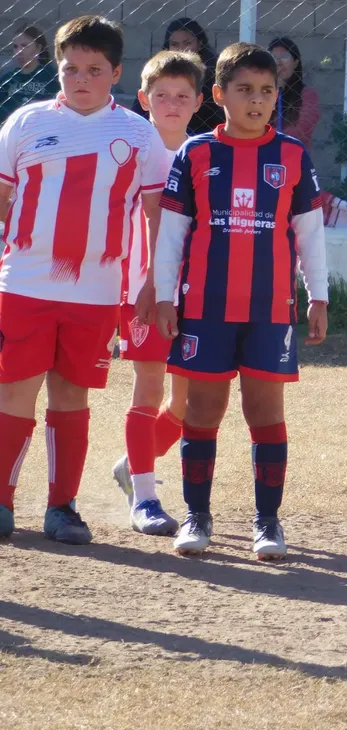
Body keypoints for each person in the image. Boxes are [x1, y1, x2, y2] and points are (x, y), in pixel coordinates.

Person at [154, 42, 329, 560]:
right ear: (218, 94)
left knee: (264, 411)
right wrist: (164, 296)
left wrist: (318, 295)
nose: (257, 100)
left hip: (270, 309)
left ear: (277, 96)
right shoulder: (196, 153)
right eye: (245, 90)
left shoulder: (292, 155)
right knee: (203, 410)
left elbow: (310, 232)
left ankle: (267, 523)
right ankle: (197, 516)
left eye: (267, 91)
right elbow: (172, 232)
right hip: (205, 307)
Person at [0, 15, 170, 543]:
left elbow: (157, 216)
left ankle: (62, 508)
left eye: (94, 70)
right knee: (13, 392)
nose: (80, 79)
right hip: (23, 286)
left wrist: (154, 281)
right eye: (70, 68)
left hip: (95, 293)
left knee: (71, 396)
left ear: (116, 73)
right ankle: (1, 502)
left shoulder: (139, 134)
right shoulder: (24, 122)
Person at [111, 51, 205, 536]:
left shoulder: (205, 155)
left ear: (199, 102)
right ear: (144, 99)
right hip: (140, 290)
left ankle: (132, 465)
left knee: (188, 402)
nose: (172, 104)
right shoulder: (130, 153)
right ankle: (145, 499)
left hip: (194, 293)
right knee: (148, 387)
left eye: (182, 96)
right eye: (162, 95)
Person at [131, 18, 224, 134]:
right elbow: (138, 114)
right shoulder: (156, 73)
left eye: (187, 43)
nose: (181, 49)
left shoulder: (213, 74)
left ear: (200, 44)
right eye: (175, 44)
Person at [0, 26, 60, 125]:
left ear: (38, 48)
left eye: (24, 46)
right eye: (15, 47)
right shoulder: (7, 79)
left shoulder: (52, 76)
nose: (19, 52)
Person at [267, 37, 320, 149]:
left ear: (295, 63)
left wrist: (266, 137)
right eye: (273, 57)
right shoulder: (260, 94)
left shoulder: (307, 94)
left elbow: (302, 130)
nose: (278, 63)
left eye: (284, 57)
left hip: (292, 153)